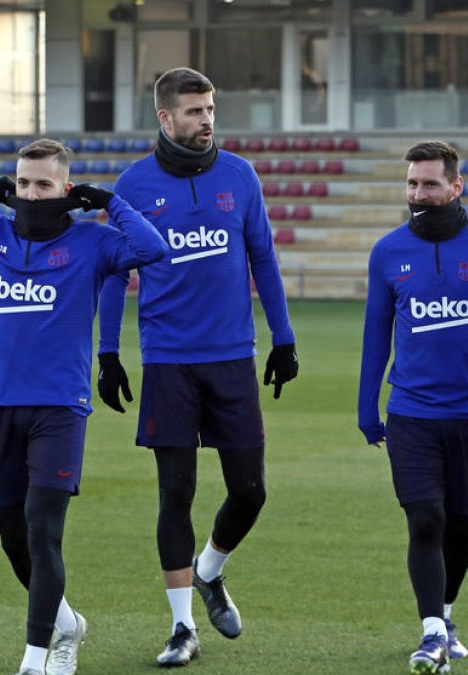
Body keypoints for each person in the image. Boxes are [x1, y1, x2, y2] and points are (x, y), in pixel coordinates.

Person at [0, 138, 168, 675]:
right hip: (1, 406)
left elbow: (152, 248)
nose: (30, 193)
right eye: (22, 184)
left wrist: (109, 201)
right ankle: (68, 621)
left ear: (65, 191)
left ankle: (36, 656)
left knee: (42, 528)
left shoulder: (93, 243)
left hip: (60, 410)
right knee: (10, 533)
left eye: (43, 185)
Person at [95, 67, 299, 668]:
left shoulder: (240, 175)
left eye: (210, 109)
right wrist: (108, 353)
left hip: (232, 357)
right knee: (175, 492)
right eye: (193, 111)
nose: (206, 120)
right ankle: (182, 627)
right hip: (168, 361)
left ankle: (210, 571)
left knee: (251, 491)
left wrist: (282, 340)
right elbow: (113, 272)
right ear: (165, 118)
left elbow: (262, 256)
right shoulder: (132, 184)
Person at [358, 140, 468, 675]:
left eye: (429, 184)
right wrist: (368, 407)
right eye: (412, 183)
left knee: (461, 524)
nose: (418, 193)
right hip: (412, 412)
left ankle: (446, 616)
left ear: (456, 187)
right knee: (425, 518)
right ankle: (432, 631)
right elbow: (375, 335)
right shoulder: (388, 251)